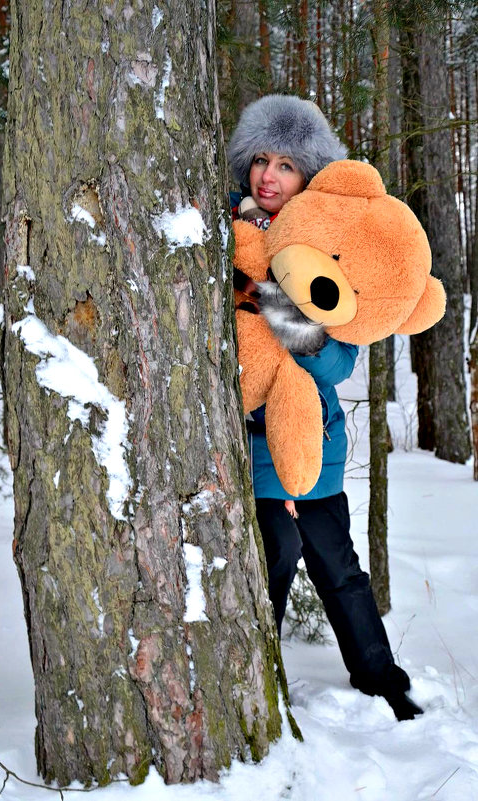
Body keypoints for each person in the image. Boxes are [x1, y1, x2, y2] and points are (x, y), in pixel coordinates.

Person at [228, 94, 423, 722]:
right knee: (275, 554)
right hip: (246, 445)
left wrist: (281, 310)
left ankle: (380, 678)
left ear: (309, 177)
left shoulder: (322, 250)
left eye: (286, 165)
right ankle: (256, 682)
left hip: (319, 445)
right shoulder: (221, 240)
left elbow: (338, 365)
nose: (269, 175)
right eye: (261, 159)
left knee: (337, 563)